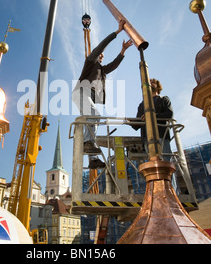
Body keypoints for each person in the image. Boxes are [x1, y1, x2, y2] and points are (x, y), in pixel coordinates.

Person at [72, 19, 133, 169]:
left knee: (92, 121)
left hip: (89, 96)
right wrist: (117, 32)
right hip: (81, 91)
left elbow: (114, 64)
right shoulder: (90, 62)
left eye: (102, 56)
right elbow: (101, 46)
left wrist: (123, 51)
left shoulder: (102, 70)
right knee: (95, 115)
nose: (102, 56)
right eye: (101, 54)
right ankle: (87, 143)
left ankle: (92, 159)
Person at [131, 78, 173, 161]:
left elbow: (169, 114)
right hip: (147, 139)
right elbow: (137, 124)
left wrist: (152, 115)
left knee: (165, 160)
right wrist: (129, 122)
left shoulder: (163, 99)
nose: (149, 84)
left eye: (152, 82)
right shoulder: (142, 104)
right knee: (153, 161)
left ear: (157, 86)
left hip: (161, 135)